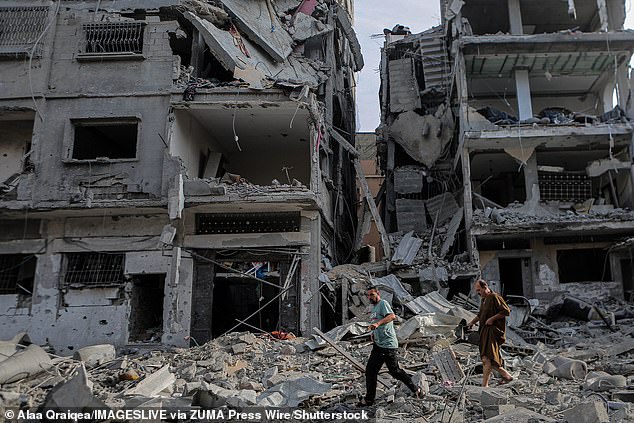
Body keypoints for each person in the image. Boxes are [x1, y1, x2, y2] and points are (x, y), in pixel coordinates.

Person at [358, 287, 422, 406]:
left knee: (395, 371)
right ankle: (369, 399)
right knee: (370, 372)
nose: (370, 297)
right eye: (368, 295)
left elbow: (391, 316)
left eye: (372, 295)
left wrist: (377, 323)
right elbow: (378, 324)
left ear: (378, 293)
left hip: (388, 345)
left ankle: (416, 389)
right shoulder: (374, 309)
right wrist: (374, 333)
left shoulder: (383, 303)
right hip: (378, 345)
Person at [467, 279, 514, 387]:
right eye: (477, 291)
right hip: (484, 332)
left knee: (487, 358)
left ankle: (485, 385)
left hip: (492, 331)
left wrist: (492, 319)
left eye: (479, 290)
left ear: (485, 287)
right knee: (488, 358)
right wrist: (471, 322)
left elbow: (506, 311)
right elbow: (480, 315)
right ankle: (506, 376)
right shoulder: (484, 300)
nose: (478, 293)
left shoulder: (494, 297)